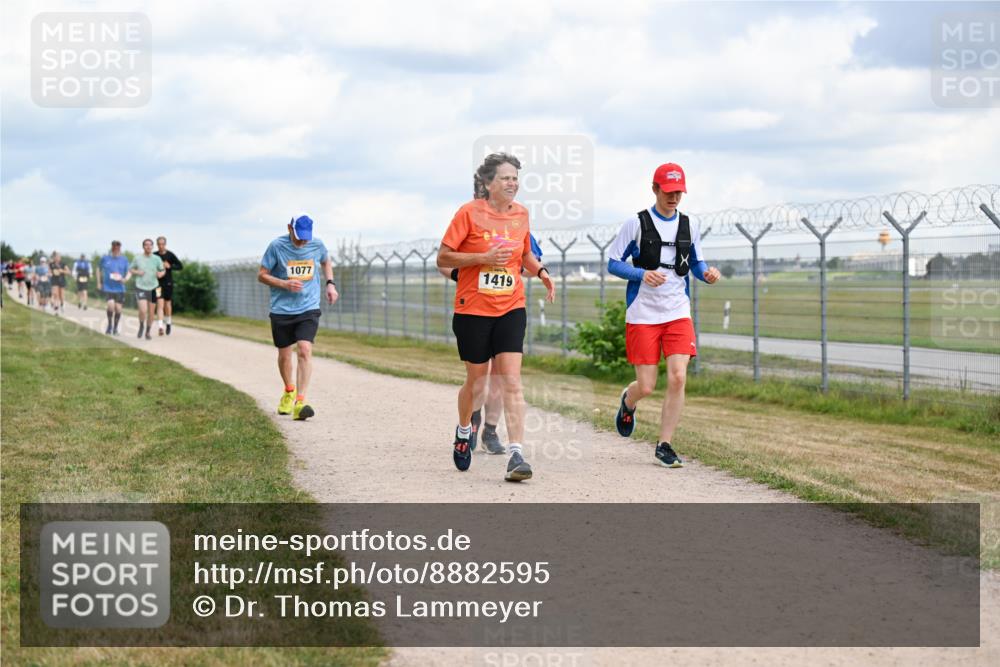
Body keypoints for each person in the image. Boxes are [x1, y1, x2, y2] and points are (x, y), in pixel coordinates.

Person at [437, 152, 555, 482]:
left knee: (511, 381)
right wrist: (482, 257)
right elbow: (443, 257)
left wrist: (541, 270)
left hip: (511, 307)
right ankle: (464, 430)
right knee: (476, 382)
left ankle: (517, 453)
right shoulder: (468, 213)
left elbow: (526, 253)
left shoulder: (521, 215)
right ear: (488, 183)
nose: (512, 183)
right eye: (505, 177)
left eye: (515, 177)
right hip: (473, 309)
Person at [607, 162, 721, 468]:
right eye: (668, 192)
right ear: (655, 189)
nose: (674, 198)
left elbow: (696, 263)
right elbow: (613, 263)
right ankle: (628, 402)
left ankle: (665, 444)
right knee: (646, 386)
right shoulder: (636, 223)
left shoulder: (689, 224)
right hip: (643, 312)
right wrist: (642, 273)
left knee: (678, 376)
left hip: (676, 311)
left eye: (678, 192)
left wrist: (706, 274)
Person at [437, 232, 545, 456]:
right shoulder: (471, 226)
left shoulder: (517, 225)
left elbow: (533, 263)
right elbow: (443, 262)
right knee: (477, 377)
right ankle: (471, 420)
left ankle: (491, 431)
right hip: (474, 311)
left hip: (507, 310)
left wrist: (519, 269)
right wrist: (466, 273)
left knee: (502, 376)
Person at [258, 214, 338, 421]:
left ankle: (300, 402)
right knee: (285, 355)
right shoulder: (276, 246)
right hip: (282, 309)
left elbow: (326, 261)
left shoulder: (316, 244)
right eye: (299, 236)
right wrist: (284, 284)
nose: (303, 241)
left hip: (308, 307)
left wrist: (330, 284)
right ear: (289, 229)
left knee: (304, 349)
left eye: (306, 237)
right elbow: (262, 274)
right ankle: (289, 389)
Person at [130, 239, 166, 340]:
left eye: (150, 245)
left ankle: (148, 331)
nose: (148, 247)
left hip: (154, 287)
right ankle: (141, 325)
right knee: (143, 310)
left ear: (152, 247)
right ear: (143, 247)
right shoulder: (137, 258)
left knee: (151, 312)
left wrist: (160, 274)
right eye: (146, 245)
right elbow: (131, 269)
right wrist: (137, 272)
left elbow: (163, 270)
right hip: (140, 287)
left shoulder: (157, 258)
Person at [96, 241, 130, 335]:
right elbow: (98, 269)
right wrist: (99, 282)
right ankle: (109, 325)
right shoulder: (105, 258)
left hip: (120, 288)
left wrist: (125, 279)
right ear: (112, 248)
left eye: (117, 248)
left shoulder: (124, 260)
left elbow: (129, 272)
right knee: (110, 305)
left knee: (118, 308)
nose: (116, 249)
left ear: (120, 248)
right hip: (108, 287)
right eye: (114, 247)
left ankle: (115, 328)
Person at [154, 236, 183, 335]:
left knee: (167, 304)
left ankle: (169, 323)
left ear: (165, 244)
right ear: (157, 245)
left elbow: (180, 266)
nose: (161, 246)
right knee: (159, 304)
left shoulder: (170, 255)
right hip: (157, 284)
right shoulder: (154, 255)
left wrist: (170, 266)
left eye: (163, 244)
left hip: (168, 283)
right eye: (159, 244)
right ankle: (160, 326)